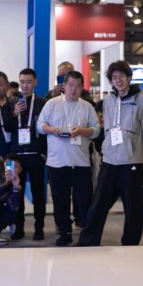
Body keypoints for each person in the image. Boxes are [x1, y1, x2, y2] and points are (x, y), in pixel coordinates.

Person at [77, 60, 143, 247]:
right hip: (110, 160)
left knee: (133, 208)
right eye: (114, 77)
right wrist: (106, 149)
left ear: (129, 78)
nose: (118, 80)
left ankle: (130, 244)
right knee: (98, 204)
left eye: (122, 76)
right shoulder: (108, 101)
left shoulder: (141, 100)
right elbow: (108, 128)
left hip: (131, 161)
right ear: (111, 81)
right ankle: (88, 240)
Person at [38, 71, 101, 246]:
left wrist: (82, 131)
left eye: (78, 86)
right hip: (57, 162)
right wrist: (51, 129)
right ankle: (65, 232)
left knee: (83, 199)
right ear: (64, 86)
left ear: (82, 87)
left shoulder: (87, 106)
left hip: (80, 162)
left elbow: (96, 130)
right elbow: (40, 125)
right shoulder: (52, 103)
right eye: (71, 85)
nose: (74, 89)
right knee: (60, 200)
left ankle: (86, 234)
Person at [10, 68, 48, 240]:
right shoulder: (12, 103)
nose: (25, 85)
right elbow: (7, 128)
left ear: (35, 82)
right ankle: (19, 227)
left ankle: (39, 227)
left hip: (35, 154)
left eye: (29, 82)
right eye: (22, 82)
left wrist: (44, 153)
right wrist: (14, 114)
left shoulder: (43, 103)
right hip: (16, 154)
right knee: (17, 192)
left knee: (38, 193)